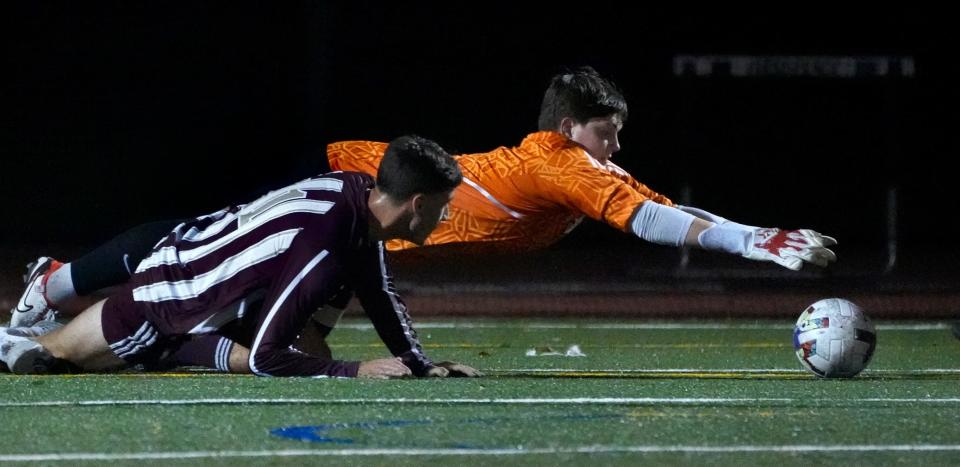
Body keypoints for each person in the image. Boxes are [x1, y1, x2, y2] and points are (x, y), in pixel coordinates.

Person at [6, 66, 835, 369]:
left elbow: (659, 206)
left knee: (256, 308)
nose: (614, 149)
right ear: (566, 128)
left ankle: (83, 304)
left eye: (619, 136)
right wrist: (757, 241)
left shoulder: (581, 167)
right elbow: (652, 222)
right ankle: (61, 286)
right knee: (195, 253)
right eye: (604, 132)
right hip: (344, 180)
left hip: (367, 228)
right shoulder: (560, 162)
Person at [0, 135, 479, 378]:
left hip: (203, 272)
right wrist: (357, 370)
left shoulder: (357, 195)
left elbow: (379, 289)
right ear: (417, 204)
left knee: (313, 352)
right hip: (168, 297)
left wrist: (418, 362)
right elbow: (268, 359)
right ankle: (18, 337)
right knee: (52, 355)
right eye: (444, 205)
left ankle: (52, 324)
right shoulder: (327, 239)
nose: (447, 215)